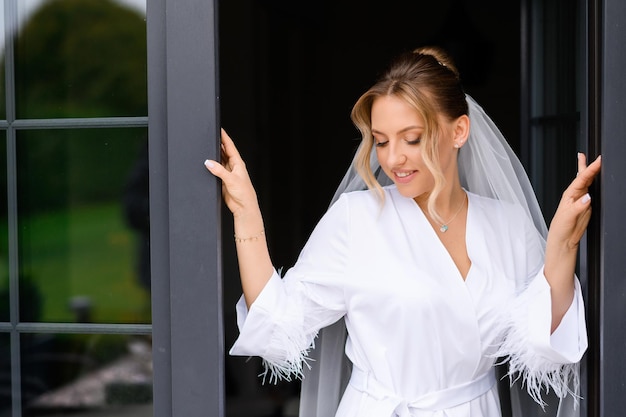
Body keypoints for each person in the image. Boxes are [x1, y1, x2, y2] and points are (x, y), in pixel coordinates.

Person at [204, 46, 602, 417]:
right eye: (380, 142)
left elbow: (544, 347)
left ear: (459, 131)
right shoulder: (356, 219)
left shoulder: (509, 226)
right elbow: (278, 325)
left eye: (412, 139)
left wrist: (564, 243)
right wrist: (246, 212)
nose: (394, 158)